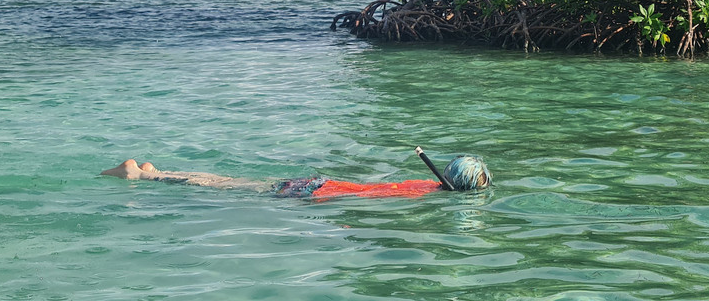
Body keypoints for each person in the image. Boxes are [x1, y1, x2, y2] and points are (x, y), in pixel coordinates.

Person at [100, 154, 492, 200]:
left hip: (324, 184)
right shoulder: (425, 195)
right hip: (316, 194)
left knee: (233, 181)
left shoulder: (422, 185)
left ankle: (157, 172)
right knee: (235, 187)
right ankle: (142, 176)